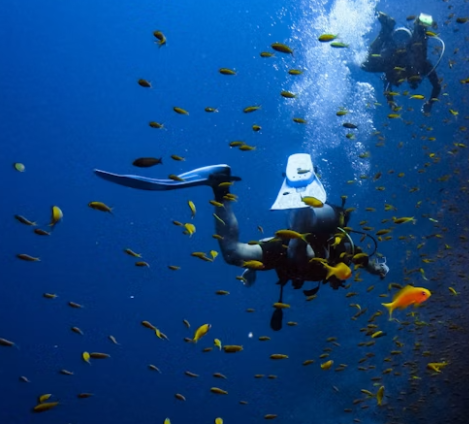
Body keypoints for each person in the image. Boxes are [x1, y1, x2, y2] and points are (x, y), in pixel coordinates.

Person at [94, 153, 389, 330]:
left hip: (287, 251)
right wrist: (376, 268)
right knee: (299, 251)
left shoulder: (333, 255)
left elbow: (278, 242)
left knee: (233, 254)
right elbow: (358, 256)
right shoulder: (344, 252)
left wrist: (250, 265)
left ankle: (220, 186)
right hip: (300, 250)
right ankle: (304, 200)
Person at [361, 12, 443, 114]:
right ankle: (419, 28)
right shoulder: (422, 66)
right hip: (406, 46)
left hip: (397, 50)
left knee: (366, 65)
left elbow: (387, 87)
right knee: (366, 64)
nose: (402, 79)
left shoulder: (394, 69)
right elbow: (436, 86)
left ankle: (387, 30)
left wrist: (391, 102)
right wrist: (430, 103)